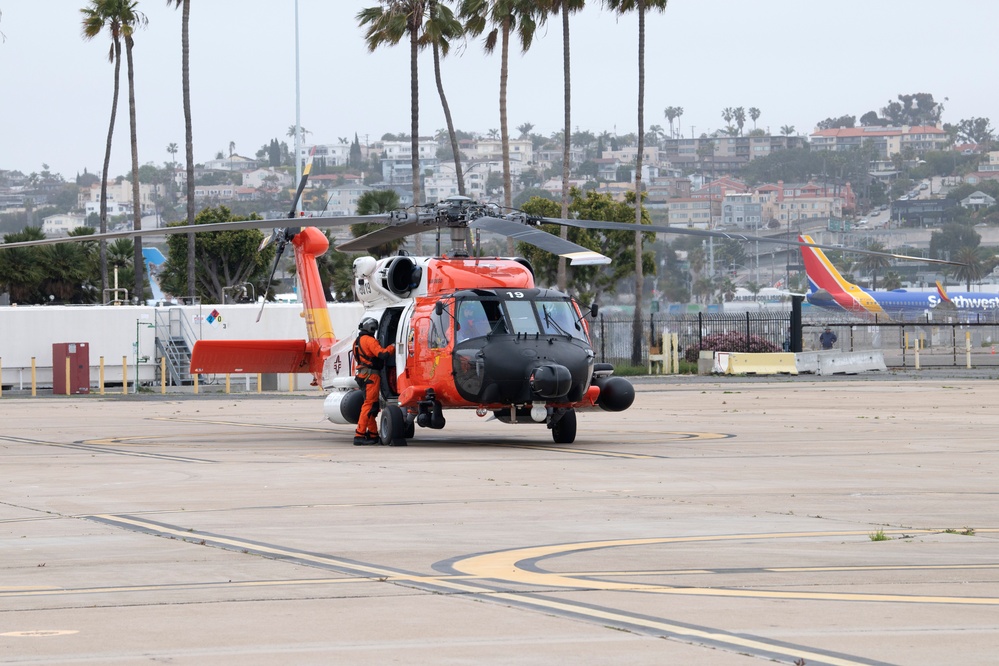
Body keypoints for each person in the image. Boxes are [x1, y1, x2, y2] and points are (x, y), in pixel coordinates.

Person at [352, 317, 394, 446]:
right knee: (369, 405)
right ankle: (359, 435)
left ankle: (373, 434)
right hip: (371, 377)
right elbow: (382, 354)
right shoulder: (370, 341)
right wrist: (392, 347)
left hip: (362, 376)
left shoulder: (357, 342)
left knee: (371, 406)